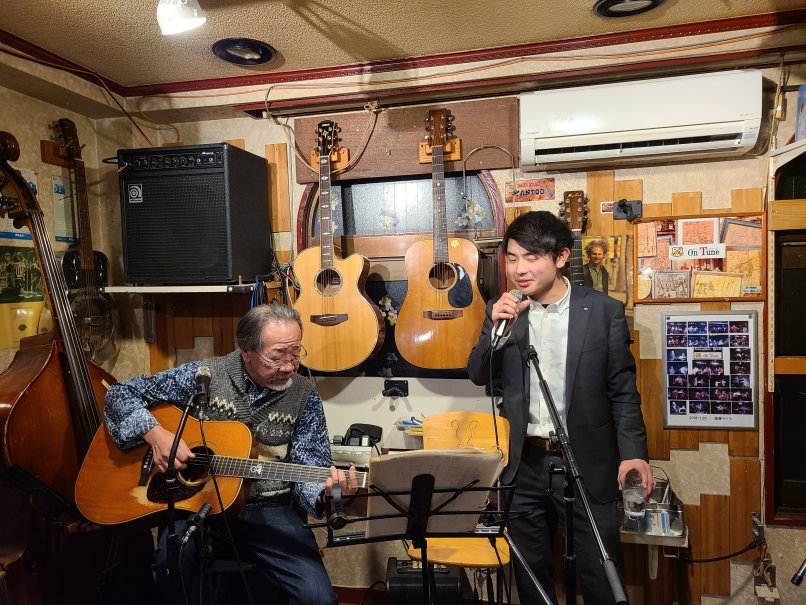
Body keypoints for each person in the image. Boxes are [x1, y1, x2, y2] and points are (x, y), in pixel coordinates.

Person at [104, 302, 356, 605]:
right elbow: (120, 393)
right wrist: (155, 434)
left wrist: (325, 494)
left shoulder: (305, 395)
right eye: (277, 356)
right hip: (197, 504)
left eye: (295, 353)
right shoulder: (204, 376)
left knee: (318, 597)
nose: (289, 366)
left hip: (269, 508)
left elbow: (310, 465)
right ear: (246, 351)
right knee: (173, 565)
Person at [467, 211, 654, 605]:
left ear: (562, 257)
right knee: (531, 577)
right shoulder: (504, 310)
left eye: (531, 257)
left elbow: (623, 392)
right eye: (512, 258)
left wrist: (634, 454)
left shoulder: (603, 311)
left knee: (600, 575)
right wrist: (495, 332)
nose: (519, 269)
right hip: (525, 465)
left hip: (586, 462)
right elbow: (478, 374)